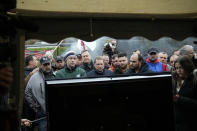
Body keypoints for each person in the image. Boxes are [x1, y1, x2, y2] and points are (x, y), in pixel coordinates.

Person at [25, 56, 55, 131]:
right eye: (45, 65)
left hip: (55, 110)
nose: (47, 66)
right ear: (40, 65)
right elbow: (27, 93)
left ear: (51, 64)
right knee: (43, 129)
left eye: (48, 64)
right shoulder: (34, 77)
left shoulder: (56, 75)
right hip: (42, 112)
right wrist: (36, 107)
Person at [172, 56, 197, 131]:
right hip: (178, 122)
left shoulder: (194, 81)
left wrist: (179, 99)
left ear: (187, 67)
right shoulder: (175, 80)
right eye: (176, 68)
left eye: (181, 68)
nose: (178, 70)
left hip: (190, 123)